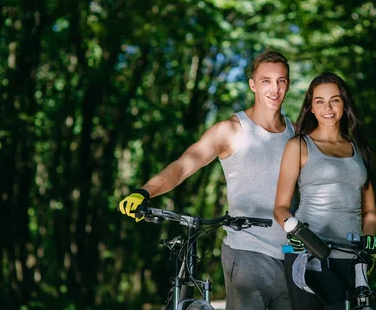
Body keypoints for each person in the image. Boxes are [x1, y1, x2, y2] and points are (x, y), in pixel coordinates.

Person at [119, 50, 294, 310]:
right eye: (266, 80)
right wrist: (145, 191)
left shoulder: (296, 132)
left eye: (281, 81)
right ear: (252, 85)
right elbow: (182, 166)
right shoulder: (231, 130)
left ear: (287, 84)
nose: (275, 89)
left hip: (292, 255)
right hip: (247, 252)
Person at [273, 72, 376, 310]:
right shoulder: (298, 145)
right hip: (309, 258)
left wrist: (368, 239)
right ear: (310, 107)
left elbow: (370, 211)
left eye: (335, 100)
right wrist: (298, 234)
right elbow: (280, 208)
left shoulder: (359, 149)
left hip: (352, 259)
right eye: (319, 101)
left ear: (344, 103)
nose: (327, 107)